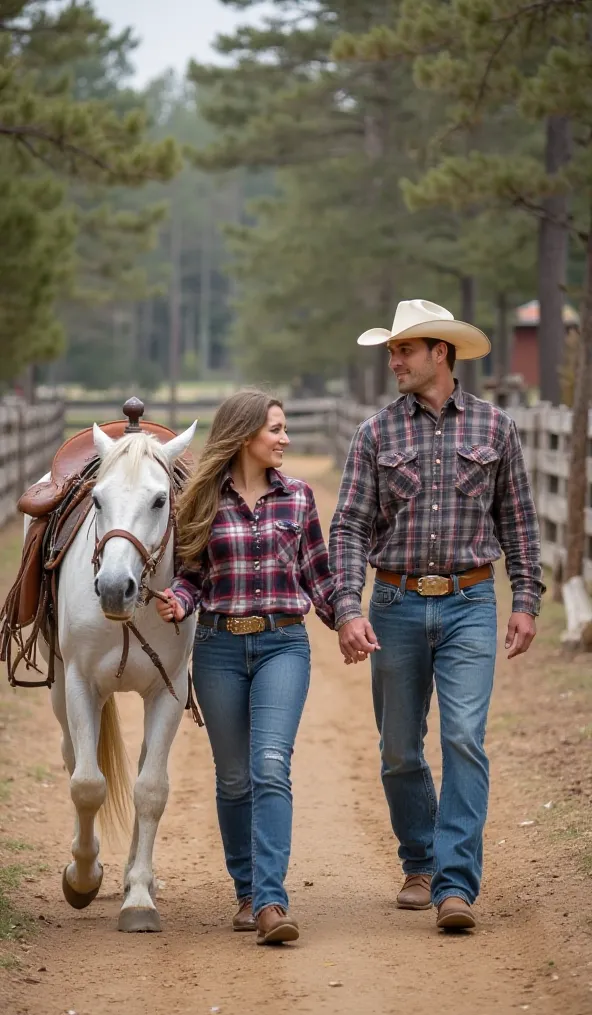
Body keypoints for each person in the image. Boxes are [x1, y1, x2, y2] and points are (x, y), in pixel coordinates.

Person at [329, 299, 545, 931]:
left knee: (463, 739)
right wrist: (347, 607)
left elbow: (520, 523)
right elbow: (346, 529)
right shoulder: (374, 434)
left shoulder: (495, 428)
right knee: (399, 750)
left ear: (440, 353)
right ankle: (419, 860)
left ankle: (455, 884)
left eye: (404, 350)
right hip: (394, 603)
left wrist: (526, 599)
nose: (393, 361)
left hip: (471, 602)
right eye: (391, 350)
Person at [156, 388, 335, 945]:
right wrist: (180, 602)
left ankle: (270, 902)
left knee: (269, 766)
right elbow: (191, 575)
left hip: (284, 644)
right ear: (244, 435)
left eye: (284, 428)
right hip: (219, 649)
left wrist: (347, 620)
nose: (285, 439)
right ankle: (244, 890)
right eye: (275, 429)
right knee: (234, 779)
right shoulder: (202, 501)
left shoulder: (299, 498)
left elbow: (318, 576)